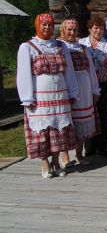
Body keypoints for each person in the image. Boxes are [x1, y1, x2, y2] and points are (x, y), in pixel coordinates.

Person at [17, 13, 79, 178]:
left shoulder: (60, 46)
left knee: (59, 129)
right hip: (41, 97)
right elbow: (23, 74)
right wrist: (27, 97)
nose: (47, 28)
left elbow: (69, 71)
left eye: (50, 25)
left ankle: (56, 162)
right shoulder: (28, 47)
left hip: (59, 96)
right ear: (38, 25)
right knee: (43, 130)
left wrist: (72, 91)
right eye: (44, 25)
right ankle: (45, 162)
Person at [59, 19, 100, 167]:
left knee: (82, 122)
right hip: (67, 86)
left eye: (74, 30)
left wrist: (95, 90)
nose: (72, 32)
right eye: (69, 30)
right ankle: (64, 156)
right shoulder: (59, 47)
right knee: (66, 121)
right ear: (63, 30)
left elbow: (91, 71)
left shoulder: (84, 48)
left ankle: (78, 154)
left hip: (84, 86)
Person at [79, 16, 107, 157]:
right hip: (86, 84)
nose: (99, 31)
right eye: (96, 28)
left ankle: (103, 147)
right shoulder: (82, 43)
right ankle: (90, 147)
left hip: (103, 83)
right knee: (89, 114)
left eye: (101, 28)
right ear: (90, 29)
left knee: (104, 114)